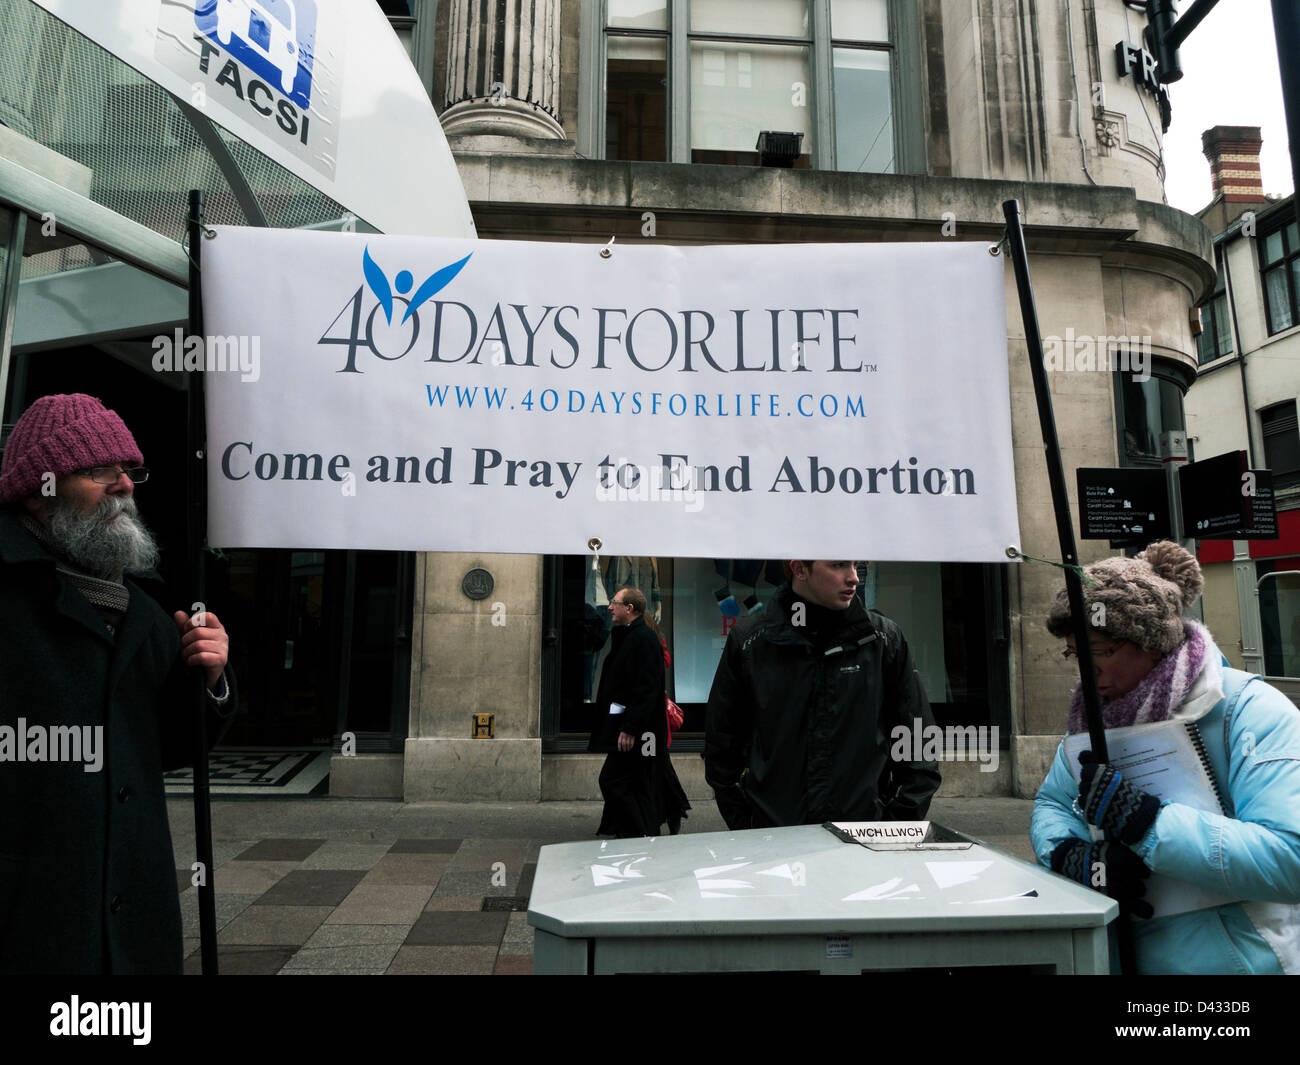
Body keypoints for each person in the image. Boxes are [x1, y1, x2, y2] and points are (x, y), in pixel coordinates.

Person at [0, 393, 235, 974]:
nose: (124, 484)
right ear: (38, 488)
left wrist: (211, 679)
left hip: (132, 914)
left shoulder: (148, 611)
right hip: (29, 919)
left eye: (129, 470)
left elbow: (172, 747)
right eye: (97, 470)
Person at [1031, 540, 1300, 974]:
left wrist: (1150, 824)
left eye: (1100, 652)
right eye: (1076, 653)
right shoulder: (1092, 718)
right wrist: (1069, 855)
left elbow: (1291, 860)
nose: (1086, 670)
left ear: (1152, 643)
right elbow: (1053, 804)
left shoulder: (1249, 709)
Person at [704, 559, 940, 829]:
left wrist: (891, 827)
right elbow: (722, 747)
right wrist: (747, 823)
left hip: (862, 843)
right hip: (775, 842)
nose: (853, 578)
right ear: (799, 569)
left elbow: (919, 743)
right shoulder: (751, 642)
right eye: (839, 565)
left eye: (856, 565)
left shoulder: (883, 640)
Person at [588, 586, 666, 837]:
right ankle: (634, 832)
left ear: (629, 608)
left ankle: (637, 833)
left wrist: (630, 728)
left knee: (613, 780)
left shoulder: (642, 639)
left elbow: (647, 688)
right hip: (632, 727)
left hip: (637, 730)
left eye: (615, 602)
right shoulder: (629, 635)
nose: (610, 607)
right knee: (631, 781)